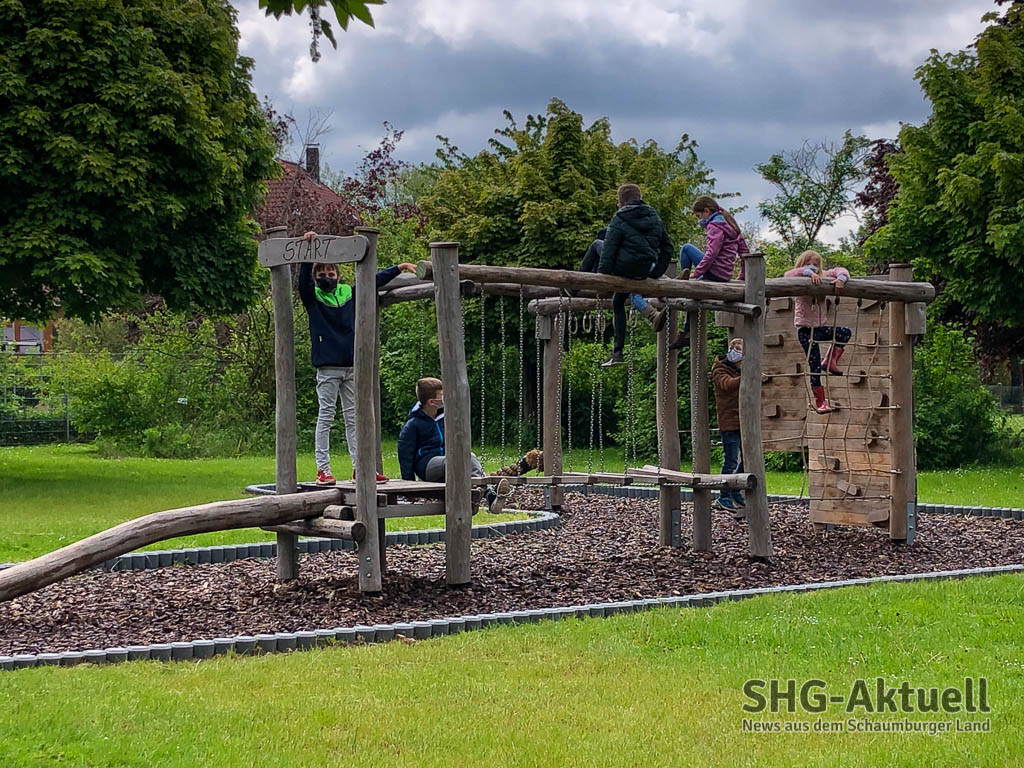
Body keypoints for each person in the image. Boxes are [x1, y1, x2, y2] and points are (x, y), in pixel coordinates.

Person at [297, 231, 416, 486]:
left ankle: (361, 468)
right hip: (327, 367)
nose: (326, 277)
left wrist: (399, 267)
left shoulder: (349, 294)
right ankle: (323, 469)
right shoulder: (313, 299)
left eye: (331, 273)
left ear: (339, 276)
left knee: (354, 419)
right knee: (326, 417)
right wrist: (307, 254)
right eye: (321, 274)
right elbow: (302, 282)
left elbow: (372, 280)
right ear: (315, 278)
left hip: (351, 366)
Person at [398, 377, 512, 514]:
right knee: (456, 460)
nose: (445, 399)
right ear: (431, 402)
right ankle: (485, 493)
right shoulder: (413, 425)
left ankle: (484, 496)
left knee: (467, 456)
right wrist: (409, 488)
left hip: (447, 462)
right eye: (441, 396)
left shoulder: (445, 418)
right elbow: (405, 456)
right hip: (427, 465)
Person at [597, 184, 674, 366]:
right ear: (640, 198)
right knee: (617, 301)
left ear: (621, 202)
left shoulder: (620, 217)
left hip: (623, 268)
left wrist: (603, 278)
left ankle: (572, 288)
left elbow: (608, 250)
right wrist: (656, 272)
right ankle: (617, 353)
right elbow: (667, 247)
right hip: (644, 269)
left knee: (596, 245)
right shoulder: (654, 217)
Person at [670, 196, 750, 349]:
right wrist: (742, 276)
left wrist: (697, 272)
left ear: (706, 211)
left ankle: (685, 278)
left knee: (686, 248)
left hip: (714, 270)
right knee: (694, 295)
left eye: (699, 216)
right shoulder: (731, 225)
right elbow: (744, 252)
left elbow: (712, 253)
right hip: (724, 273)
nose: (699, 220)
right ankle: (686, 332)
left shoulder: (714, 225)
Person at [784, 250, 851, 414]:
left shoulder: (824, 276)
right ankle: (820, 402)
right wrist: (808, 272)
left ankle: (829, 361)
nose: (813, 267)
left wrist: (841, 278)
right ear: (802, 264)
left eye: (816, 264)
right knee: (814, 366)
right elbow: (788, 274)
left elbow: (841, 270)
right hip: (805, 330)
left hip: (819, 328)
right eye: (809, 264)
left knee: (845, 332)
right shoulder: (797, 278)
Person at [578, 227, 665, 332]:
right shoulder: (609, 248)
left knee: (634, 290)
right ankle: (656, 308)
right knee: (634, 291)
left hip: (625, 275)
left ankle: (654, 313)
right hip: (621, 277)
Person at [711, 338, 746, 517]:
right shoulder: (720, 369)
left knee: (747, 460)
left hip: (741, 421)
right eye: (738, 349)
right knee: (731, 460)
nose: (740, 353)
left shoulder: (737, 369)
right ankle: (724, 496)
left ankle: (734, 489)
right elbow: (727, 384)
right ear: (731, 349)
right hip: (729, 422)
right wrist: (748, 376)